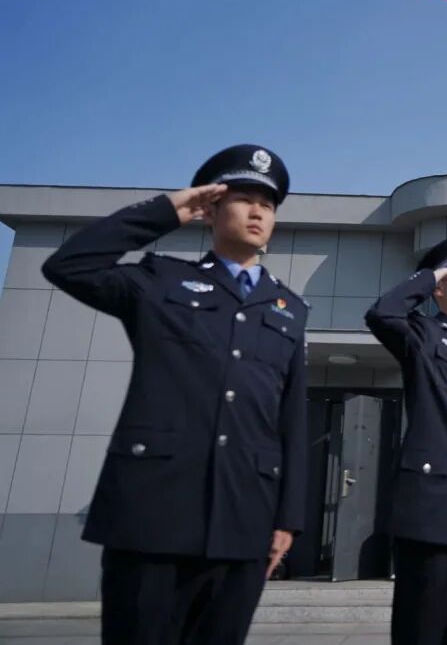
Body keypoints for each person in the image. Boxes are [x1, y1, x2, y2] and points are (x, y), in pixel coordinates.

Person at [40, 144, 308, 645]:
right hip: (153, 515)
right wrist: (165, 211)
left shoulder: (289, 308)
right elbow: (68, 266)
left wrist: (288, 520)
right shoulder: (161, 280)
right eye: (243, 199)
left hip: (244, 520)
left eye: (267, 205)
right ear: (209, 209)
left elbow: (291, 420)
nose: (257, 212)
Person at [364, 234, 447, 645]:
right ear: (440, 287)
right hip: (429, 512)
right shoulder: (422, 335)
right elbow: (382, 313)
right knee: (420, 631)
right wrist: (430, 276)